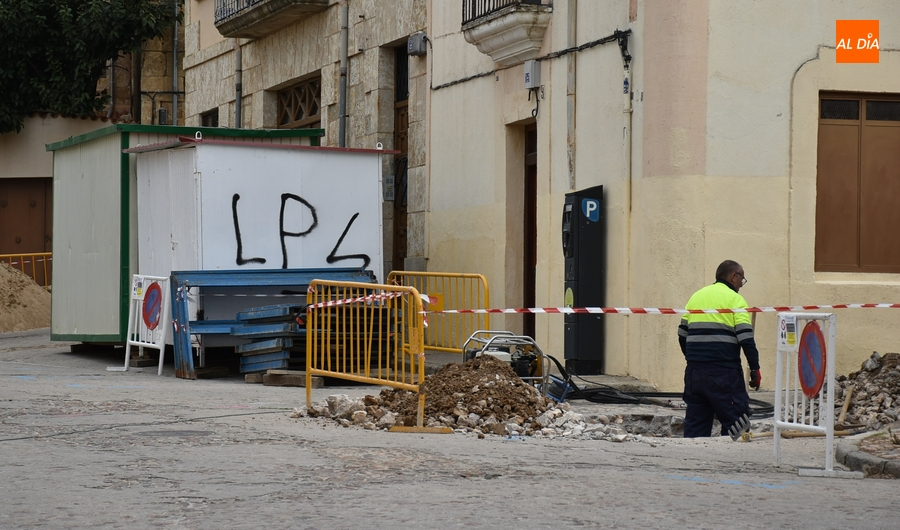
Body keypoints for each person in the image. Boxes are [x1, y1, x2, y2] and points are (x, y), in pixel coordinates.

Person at [677, 260, 761, 438]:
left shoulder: (696, 297)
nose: (741, 284)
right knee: (737, 422)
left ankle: (694, 462)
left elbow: (682, 335)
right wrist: (755, 368)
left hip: (694, 373)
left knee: (696, 424)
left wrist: (695, 358)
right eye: (742, 279)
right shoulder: (735, 300)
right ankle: (733, 462)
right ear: (733, 276)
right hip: (724, 372)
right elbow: (746, 338)